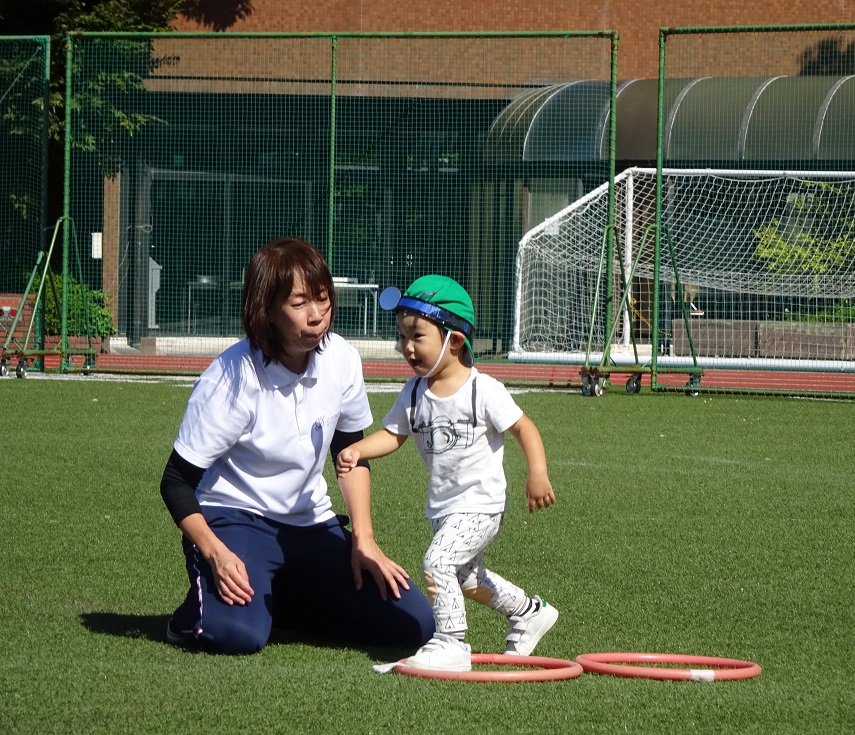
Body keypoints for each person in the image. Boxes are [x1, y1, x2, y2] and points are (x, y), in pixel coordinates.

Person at [159, 237, 435, 655]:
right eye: (299, 303)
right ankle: (199, 614)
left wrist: (363, 539)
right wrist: (215, 553)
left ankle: (280, 599)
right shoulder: (230, 377)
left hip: (311, 525)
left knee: (413, 624)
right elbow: (176, 481)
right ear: (266, 310)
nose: (317, 315)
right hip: (235, 518)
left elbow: (351, 454)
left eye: (323, 299)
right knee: (237, 635)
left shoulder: (342, 358)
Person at [336, 275, 557, 672]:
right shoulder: (414, 391)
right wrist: (357, 449)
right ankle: (528, 612)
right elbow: (394, 435)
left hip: (481, 504)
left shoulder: (482, 389)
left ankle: (451, 642)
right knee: (467, 580)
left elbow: (524, 428)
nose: (407, 347)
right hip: (443, 508)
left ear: (454, 340)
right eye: (402, 336)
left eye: (417, 336)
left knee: (437, 562)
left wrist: (536, 474)